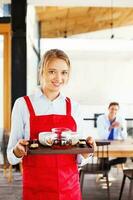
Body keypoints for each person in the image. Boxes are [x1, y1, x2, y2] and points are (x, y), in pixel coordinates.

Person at [7, 49, 94, 200]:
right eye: (52, 71)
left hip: (69, 188)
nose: (58, 78)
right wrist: (18, 151)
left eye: (64, 72)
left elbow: (80, 157)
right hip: (36, 189)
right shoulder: (23, 104)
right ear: (41, 71)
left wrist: (87, 152)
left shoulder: (75, 107)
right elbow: (11, 156)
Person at [97, 102, 127, 170]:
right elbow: (102, 136)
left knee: (123, 158)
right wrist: (110, 128)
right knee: (103, 156)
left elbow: (124, 137)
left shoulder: (121, 119)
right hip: (104, 143)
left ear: (118, 111)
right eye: (112, 109)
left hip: (116, 144)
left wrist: (121, 128)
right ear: (108, 109)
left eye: (116, 109)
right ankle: (104, 173)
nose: (113, 111)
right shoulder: (101, 118)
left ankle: (108, 164)